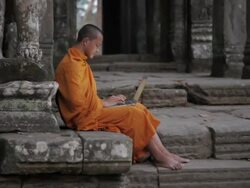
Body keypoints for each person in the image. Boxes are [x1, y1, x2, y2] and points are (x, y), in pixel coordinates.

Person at [55, 24, 189, 170]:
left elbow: (84, 97)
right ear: (86, 42)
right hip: (83, 117)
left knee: (139, 108)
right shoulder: (71, 65)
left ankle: (164, 153)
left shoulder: (79, 61)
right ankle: (160, 157)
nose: (98, 50)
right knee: (133, 113)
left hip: (91, 110)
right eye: (97, 45)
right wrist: (103, 103)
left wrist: (104, 101)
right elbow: (77, 103)